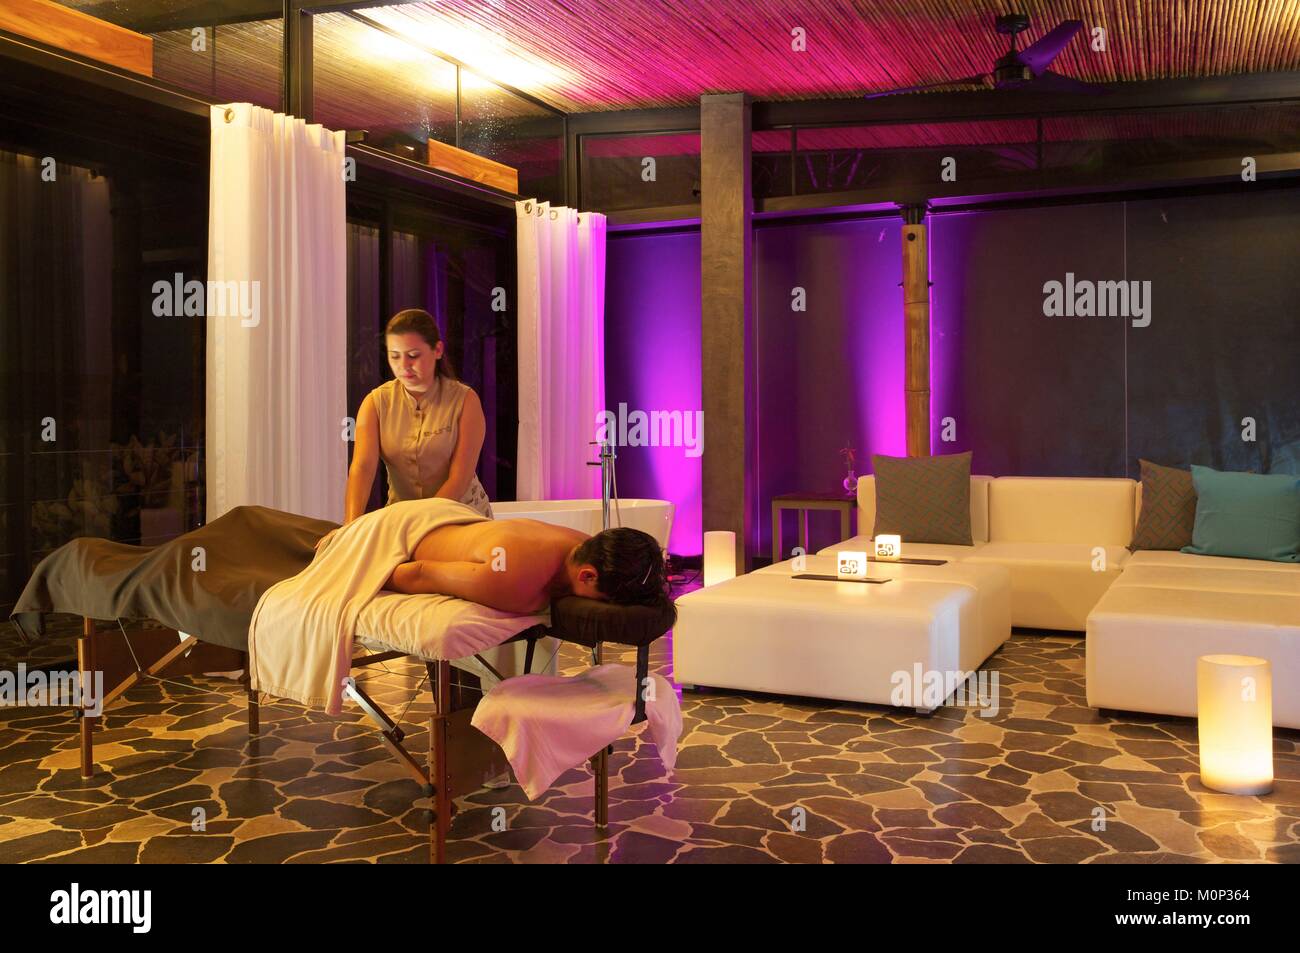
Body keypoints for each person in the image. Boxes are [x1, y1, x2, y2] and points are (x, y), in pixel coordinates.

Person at [318, 308, 492, 551]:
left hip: (461, 516)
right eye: (395, 356)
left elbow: (460, 477)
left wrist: (423, 524)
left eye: (413, 355)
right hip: (402, 522)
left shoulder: (465, 401)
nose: (404, 366)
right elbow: (362, 468)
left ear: (438, 350)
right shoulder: (376, 403)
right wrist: (351, 527)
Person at [385, 518, 674, 618]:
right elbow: (421, 572)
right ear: (588, 575)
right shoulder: (513, 580)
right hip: (399, 534)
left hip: (441, 524)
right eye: (604, 601)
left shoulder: (584, 545)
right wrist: (357, 571)